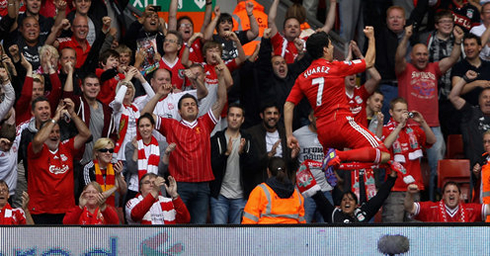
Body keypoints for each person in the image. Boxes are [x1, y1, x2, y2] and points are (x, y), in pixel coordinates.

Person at [285, 28, 397, 175]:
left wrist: (288, 135)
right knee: (384, 153)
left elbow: (288, 105)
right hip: (341, 123)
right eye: (331, 45)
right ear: (325, 49)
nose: (332, 48)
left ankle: (332, 162)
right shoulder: (335, 67)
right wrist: (371, 37)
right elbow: (369, 62)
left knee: (334, 167)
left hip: (323, 132)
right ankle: (338, 156)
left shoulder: (302, 77)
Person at [141, 61, 228, 224]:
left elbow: (221, 100)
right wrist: (159, 95)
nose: (190, 106)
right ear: (179, 111)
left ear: (197, 108)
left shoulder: (206, 123)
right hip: (179, 186)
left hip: (203, 185)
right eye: (186, 105)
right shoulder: (171, 125)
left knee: (199, 227)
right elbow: (145, 115)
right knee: (179, 226)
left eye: (193, 104)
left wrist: (221, 77)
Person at [396, 24, 463, 201]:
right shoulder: (404, 69)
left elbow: (453, 58)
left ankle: (434, 203)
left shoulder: (434, 68)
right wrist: (405, 37)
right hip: (409, 127)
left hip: (433, 126)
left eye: (425, 54)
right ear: (412, 56)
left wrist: (457, 41)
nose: (422, 57)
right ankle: (414, 204)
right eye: (418, 54)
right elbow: (398, 57)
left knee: (437, 168)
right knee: (412, 168)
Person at [27, 98, 91, 224]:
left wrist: (72, 114)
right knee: (42, 244)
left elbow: (86, 134)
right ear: (44, 133)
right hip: (41, 211)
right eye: (51, 132)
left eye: (57, 132)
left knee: (66, 243)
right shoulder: (35, 150)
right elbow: (38, 140)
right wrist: (55, 118)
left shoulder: (66, 147)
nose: (55, 135)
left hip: (66, 209)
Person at [381, 97, 436, 223]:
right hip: (395, 190)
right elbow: (384, 146)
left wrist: (422, 122)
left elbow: (432, 140)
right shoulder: (386, 130)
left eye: (405, 110)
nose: (403, 114)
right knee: (393, 231)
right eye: (399, 110)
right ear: (391, 112)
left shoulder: (414, 130)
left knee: (414, 231)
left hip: (414, 188)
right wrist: (400, 126)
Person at [296, 161, 397, 223]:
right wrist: (305, 175)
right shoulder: (333, 214)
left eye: (350, 200)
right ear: (339, 205)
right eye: (344, 200)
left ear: (356, 205)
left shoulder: (363, 213)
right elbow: (319, 197)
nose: (347, 202)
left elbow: (380, 197)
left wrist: (391, 178)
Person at [210, 103, 253, 224]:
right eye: (232, 115)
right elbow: (212, 166)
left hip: (240, 197)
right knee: (219, 235)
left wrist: (242, 153)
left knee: (238, 237)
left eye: (238, 116)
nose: (234, 118)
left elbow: (252, 167)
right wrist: (226, 154)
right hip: (220, 196)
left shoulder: (248, 139)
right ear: (227, 117)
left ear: (243, 119)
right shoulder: (217, 139)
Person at [448, 70, 490, 189]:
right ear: (479, 101)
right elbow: (453, 96)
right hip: (475, 169)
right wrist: (465, 79)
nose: (488, 100)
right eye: (485, 97)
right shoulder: (471, 112)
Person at [247, 102, 298, 197]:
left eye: (275, 113)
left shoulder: (285, 134)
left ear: (279, 116)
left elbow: (293, 166)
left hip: (283, 188)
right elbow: (249, 164)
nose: (272, 116)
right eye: (269, 113)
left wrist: (293, 157)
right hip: (261, 188)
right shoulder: (252, 134)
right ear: (262, 115)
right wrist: (269, 155)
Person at [293, 111, 333, 223]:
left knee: (329, 228)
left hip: (325, 189)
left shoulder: (329, 134)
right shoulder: (297, 135)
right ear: (310, 118)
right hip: (305, 190)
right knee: (303, 227)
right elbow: (291, 160)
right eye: (318, 117)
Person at [242, 157, 305, 224]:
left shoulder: (260, 191)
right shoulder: (296, 194)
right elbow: (302, 223)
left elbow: (249, 221)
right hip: (292, 233)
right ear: (285, 171)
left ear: (268, 171)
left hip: (266, 233)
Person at [124, 113, 168, 204]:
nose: (145, 129)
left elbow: (162, 169)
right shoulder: (130, 146)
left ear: (152, 127)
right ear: (138, 128)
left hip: (157, 189)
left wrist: (167, 153)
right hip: (135, 189)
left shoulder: (163, 146)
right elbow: (132, 169)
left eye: (147, 125)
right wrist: (136, 149)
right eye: (142, 126)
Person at [404, 182, 490, 222]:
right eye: (448, 192)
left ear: (460, 195)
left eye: (454, 192)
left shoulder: (470, 209)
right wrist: (409, 194)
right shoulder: (431, 208)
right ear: (443, 196)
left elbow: (488, 209)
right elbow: (410, 208)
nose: (451, 194)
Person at [125, 173, 190, 225]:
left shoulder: (169, 201)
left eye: (154, 183)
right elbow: (135, 216)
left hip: (168, 240)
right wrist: (154, 191)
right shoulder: (133, 202)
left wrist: (174, 195)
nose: (151, 185)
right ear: (140, 188)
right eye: (147, 182)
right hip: (144, 240)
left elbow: (185, 220)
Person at [82, 138, 127, 208]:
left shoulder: (115, 166)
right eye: (104, 150)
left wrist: (118, 175)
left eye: (111, 151)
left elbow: (123, 191)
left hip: (112, 209)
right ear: (96, 152)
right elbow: (94, 196)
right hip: (93, 210)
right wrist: (115, 187)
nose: (108, 153)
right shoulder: (88, 168)